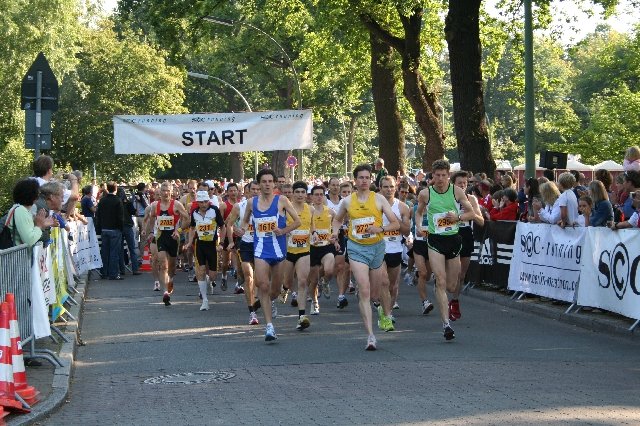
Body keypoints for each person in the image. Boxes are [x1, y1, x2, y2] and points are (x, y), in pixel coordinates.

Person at [331, 164, 400, 350]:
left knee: (375, 294)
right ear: (355, 180)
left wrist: (380, 229)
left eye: (367, 177)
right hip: (356, 248)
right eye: (360, 177)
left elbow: (395, 224)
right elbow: (337, 220)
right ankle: (370, 336)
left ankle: (379, 309)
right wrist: (335, 233)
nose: (364, 181)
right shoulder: (347, 201)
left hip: (376, 248)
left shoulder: (378, 199)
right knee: (364, 289)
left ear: (371, 180)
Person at [415, 160, 476, 341]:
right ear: (432, 176)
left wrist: (457, 217)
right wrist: (419, 226)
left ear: (448, 176)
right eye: (437, 175)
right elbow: (418, 213)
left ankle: (441, 289)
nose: (440, 179)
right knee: (441, 281)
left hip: (454, 241)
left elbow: (471, 213)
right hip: (435, 241)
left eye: (443, 175)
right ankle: (446, 325)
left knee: (451, 285)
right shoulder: (425, 194)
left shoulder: (456, 191)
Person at [239, 170, 301, 341]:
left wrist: (283, 231)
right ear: (258, 184)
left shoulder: (281, 200)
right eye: (264, 181)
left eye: (270, 181)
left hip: (279, 250)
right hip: (260, 250)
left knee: (274, 290)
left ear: (274, 184)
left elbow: (297, 221)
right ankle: (269, 326)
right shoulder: (252, 203)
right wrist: (242, 229)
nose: (267, 184)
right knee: (263, 285)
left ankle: (271, 300)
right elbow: (245, 221)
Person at [146, 182, 189, 306]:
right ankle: (165, 292)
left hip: (173, 238)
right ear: (159, 192)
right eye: (163, 190)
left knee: (172, 267)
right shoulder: (156, 206)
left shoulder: (177, 205)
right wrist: (150, 232)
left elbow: (187, 219)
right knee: (163, 265)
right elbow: (152, 218)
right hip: (160, 237)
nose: (165, 193)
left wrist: (179, 230)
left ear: (172, 192)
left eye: (167, 190)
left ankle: (170, 280)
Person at [449, 171, 484, 322]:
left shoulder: (471, 199)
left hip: (465, 234)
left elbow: (481, 222)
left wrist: (470, 213)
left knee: (461, 274)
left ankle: (455, 301)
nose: (463, 186)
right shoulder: (447, 198)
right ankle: (446, 300)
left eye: (465, 183)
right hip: (450, 234)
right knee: (452, 273)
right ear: (453, 184)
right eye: (460, 183)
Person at [226, 181, 261, 325]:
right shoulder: (239, 206)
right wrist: (232, 239)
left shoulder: (267, 207)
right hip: (245, 244)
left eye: (258, 189)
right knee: (249, 277)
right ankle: (252, 311)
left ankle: (259, 299)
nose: (255, 192)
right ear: (246, 192)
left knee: (261, 279)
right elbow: (229, 223)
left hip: (262, 244)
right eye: (252, 189)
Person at [185, 191, 224, 311]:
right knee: (200, 270)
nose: (203, 204)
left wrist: (221, 243)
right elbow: (192, 228)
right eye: (201, 202)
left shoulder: (214, 210)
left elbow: (223, 227)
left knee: (212, 276)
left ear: (209, 201)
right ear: (197, 202)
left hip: (212, 245)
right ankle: (205, 300)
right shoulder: (194, 212)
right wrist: (190, 242)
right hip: (200, 245)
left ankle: (209, 281)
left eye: (206, 202)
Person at [282, 181, 313, 330]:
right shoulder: (286, 209)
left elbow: (312, 228)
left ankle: (302, 316)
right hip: (288, 252)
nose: (300, 195)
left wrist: (314, 235)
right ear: (292, 193)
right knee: (287, 283)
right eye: (298, 192)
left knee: (302, 281)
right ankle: (284, 288)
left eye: (303, 192)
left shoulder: (310, 209)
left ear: (306, 194)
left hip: (304, 251)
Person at [377, 176, 411, 311]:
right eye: (385, 187)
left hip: (395, 248)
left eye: (391, 186)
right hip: (378, 248)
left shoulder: (402, 207)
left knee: (393, 285)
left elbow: (407, 232)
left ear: (395, 187)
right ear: (380, 188)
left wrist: (395, 220)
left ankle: (388, 312)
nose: (389, 189)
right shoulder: (374, 205)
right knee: (383, 281)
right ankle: (386, 313)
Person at [308, 185, 338, 314]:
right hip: (312, 247)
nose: (319, 197)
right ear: (312, 197)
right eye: (316, 194)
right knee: (313, 280)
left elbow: (337, 226)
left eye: (321, 194)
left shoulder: (330, 212)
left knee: (329, 270)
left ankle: (325, 282)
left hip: (326, 246)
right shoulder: (308, 211)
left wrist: (335, 240)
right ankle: (315, 302)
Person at [6, 179, 56, 247]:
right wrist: (39, 226)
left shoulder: (20, 209)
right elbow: (30, 240)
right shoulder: (20, 211)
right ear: (33, 196)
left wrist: (42, 224)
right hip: (16, 256)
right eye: (38, 193)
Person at [96, 182, 124, 280]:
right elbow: (120, 216)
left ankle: (104, 272)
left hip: (104, 228)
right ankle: (113, 273)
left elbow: (98, 214)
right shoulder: (118, 200)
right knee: (114, 252)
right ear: (115, 189)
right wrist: (121, 227)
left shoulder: (102, 200)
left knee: (105, 251)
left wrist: (99, 227)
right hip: (115, 229)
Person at [117, 187, 140, 276]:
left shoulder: (116, 203)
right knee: (132, 248)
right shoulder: (128, 203)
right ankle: (135, 269)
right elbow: (135, 213)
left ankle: (122, 269)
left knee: (120, 249)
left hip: (119, 227)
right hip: (128, 225)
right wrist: (137, 203)